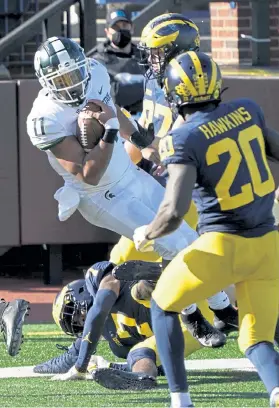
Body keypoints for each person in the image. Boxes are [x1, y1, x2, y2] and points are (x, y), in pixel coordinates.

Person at [26, 36, 225, 347]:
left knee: (191, 238)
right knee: (173, 244)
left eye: (75, 73)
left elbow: (112, 108)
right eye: (61, 79)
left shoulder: (96, 72)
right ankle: (191, 313)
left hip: (130, 175)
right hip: (102, 196)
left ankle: (222, 306)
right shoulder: (44, 119)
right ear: (46, 83)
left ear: (84, 66)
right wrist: (109, 130)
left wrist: (144, 140)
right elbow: (90, 175)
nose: (72, 83)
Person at [132, 50, 279, 408]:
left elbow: (174, 212)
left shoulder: (181, 138)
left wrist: (147, 233)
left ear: (173, 93)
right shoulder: (247, 109)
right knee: (256, 339)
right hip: (268, 245)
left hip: (221, 247)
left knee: (164, 304)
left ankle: (180, 401)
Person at [109, 13, 238, 338]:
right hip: (154, 187)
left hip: (185, 190)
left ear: (175, 52)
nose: (150, 59)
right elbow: (148, 138)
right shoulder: (157, 80)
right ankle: (135, 323)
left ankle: (185, 318)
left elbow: (183, 143)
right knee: (121, 258)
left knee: (185, 258)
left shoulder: (193, 88)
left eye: (157, 52)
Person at [34, 261, 216, 389]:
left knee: (137, 292)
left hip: (180, 300)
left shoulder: (99, 282)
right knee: (140, 355)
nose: (81, 320)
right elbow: (162, 366)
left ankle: (156, 277)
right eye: (76, 324)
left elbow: (98, 311)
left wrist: (81, 366)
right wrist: (109, 366)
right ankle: (142, 380)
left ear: (80, 292)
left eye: (75, 314)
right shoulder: (117, 346)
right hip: (195, 329)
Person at [88, 9, 144, 116]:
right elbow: (113, 94)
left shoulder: (144, 56)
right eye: (115, 27)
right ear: (107, 32)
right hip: (116, 121)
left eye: (124, 25)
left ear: (132, 28)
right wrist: (147, 86)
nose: (121, 30)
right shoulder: (97, 60)